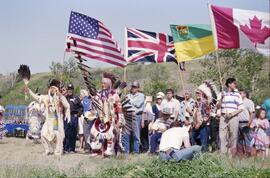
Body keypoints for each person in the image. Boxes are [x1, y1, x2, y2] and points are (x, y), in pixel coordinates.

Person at [26, 79, 70, 155]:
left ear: (56, 89)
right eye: (51, 88)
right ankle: (47, 150)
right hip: (48, 120)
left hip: (57, 120)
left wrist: (67, 113)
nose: (52, 90)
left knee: (57, 136)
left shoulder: (60, 97)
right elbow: (36, 97)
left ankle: (58, 151)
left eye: (54, 88)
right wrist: (29, 91)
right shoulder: (45, 98)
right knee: (43, 134)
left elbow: (67, 105)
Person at [89, 73, 123, 156]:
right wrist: (93, 101)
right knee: (93, 132)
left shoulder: (114, 95)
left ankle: (109, 151)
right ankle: (97, 150)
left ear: (109, 84)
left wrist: (120, 120)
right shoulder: (99, 94)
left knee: (110, 134)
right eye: (102, 83)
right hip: (100, 118)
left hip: (111, 118)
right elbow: (94, 106)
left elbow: (119, 108)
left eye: (104, 83)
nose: (102, 85)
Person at [217, 78, 244, 155]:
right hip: (223, 117)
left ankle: (231, 155)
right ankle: (223, 154)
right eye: (234, 83)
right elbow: (218, 106)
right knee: (222, 136)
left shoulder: (237, 94)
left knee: (233, 136)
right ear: (229, 84)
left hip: (234, 117)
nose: (236, 85)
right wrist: (222, 98)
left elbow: (241, 108)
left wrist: (232, 114)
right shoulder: (221, 94)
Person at [122, 81, 145, 154]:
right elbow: (124, 105)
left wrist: (129, 100)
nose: (133, 88)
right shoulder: (128, 95)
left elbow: (138, 104)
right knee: (126, 134)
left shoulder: (141, 95)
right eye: (132, 86)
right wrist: (127, 101)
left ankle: (136, 152)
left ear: (138, 88)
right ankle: (126, 151)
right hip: (127, 116)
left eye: (135, 87)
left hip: (136, 116)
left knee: (136, 135)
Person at [64, 83, 83, 153]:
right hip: (66, 117)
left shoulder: (76, 98)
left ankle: (72, 149)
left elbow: (81, 108)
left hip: (74, 117)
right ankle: (65, 148)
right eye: (68, 89)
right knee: (66, 132)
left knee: (73, 133)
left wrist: (78, 115)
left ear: (73, 90)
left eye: (71, 89)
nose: (70, 91)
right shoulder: (64, 98)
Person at [238, 90, 255, 155]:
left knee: (247, 139)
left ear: (245, 94)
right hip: (238, 122)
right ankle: (241, 154)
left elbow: (252, 113)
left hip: (246, 122)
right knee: (239, 139)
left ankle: (248, 153)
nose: (239, 94)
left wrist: (249, 122)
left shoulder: (249, 102)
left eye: (240, 93)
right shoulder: (238, 102)